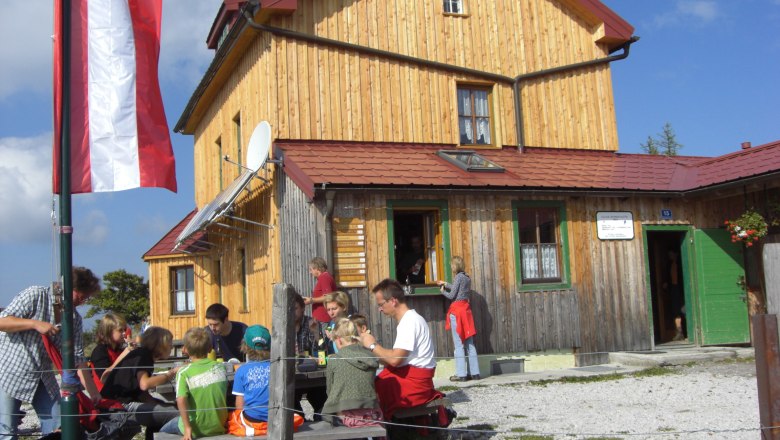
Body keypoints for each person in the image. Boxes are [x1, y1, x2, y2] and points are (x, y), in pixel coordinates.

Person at [0, 266, 102, 438]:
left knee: (59, 424)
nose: (83, 301)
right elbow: (3, 322)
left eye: (86, 298)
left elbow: (77, 358)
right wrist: (34, 324)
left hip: (43, 377)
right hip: (9, 372)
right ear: (69, 289)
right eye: (81, 296)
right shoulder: (35, 295)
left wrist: (93, 392)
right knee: (7, 431)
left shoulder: (74, 319)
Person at [360, 279, 443, 421]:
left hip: (416, 387)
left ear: (393, 301)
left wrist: (372, 345)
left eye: (381, 304)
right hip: (415, 379)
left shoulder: (409, 322)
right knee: (371, 384)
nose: (380, 309)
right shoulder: (411, 319)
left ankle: (377, 431)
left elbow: (395, 360)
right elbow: (394, 357)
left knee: (369, 390)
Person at [101, 326, 179, 439]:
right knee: (178, 414)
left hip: (113, 404)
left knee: (164, 413)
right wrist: (170, 374)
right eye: (169, 343)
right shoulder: (144, 356)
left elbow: (142, 394)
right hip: (119, 406)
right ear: (160, 344)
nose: (171, 346)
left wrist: (164, 405)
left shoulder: (141, 354)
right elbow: (144, 384)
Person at [228, 325, 304, 436]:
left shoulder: (241, 370)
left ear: (245, 346)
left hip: (252, 420)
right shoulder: (279, 367)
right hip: (279, 418)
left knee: (232, 417)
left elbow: (240, 405)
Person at [160, 327, 228, 440]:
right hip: (218, 425)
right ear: (210, 348)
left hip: (195, 428)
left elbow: (181, 400)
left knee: (161, 431)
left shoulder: (184, 373)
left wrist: (187, 428)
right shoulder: (220, 367)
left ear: (185, 349)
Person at [322, 318, 382, 428]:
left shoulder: (334, 359)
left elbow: (329, 390)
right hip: (371, 412)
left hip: (345, 415)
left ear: (339, 340)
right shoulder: (370, 356)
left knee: (323, 414)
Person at [436, 256, 480, 381]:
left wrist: (442, 290)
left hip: (457, 312)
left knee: (459, 344)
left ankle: (461, 375)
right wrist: (446, 283)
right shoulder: (466, 277)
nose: (451, 267)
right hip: (466, 311)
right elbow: (459, 290)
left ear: (455, 266)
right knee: (470, 343)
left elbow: (451, 295)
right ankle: (475, 373)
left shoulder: (458, 277)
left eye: (452, 265)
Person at [292, 293, 328, 421]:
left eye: (295, 308)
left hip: (311, 373)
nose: (292, 312)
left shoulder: (310, 323)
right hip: (292, 375)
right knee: (289, 399)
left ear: (302, 308)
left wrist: (317, 335)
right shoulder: (283, 326)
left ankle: (321, 421)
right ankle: (298, 420)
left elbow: (322, 354)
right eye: (289, 309)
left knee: (320, 396)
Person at [89, 312, 136, 388]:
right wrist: (126, 352)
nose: (124, 333)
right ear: (109, 331)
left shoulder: (118, 350)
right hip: (104, 395)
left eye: (124, 330)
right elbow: (104, 378)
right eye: (120, 330)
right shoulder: (100, 351)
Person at [303, 257, 338, 324]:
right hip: (321, 318)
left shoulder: (324, 278)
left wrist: (311, 300)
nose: (310, 272)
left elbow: (328, 297)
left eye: (311, 269)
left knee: (323, 334)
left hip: (323, 318)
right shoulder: (324, 277)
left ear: (317, 268)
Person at [664, 249, 686, 341]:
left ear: (676, 254)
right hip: (674, 289)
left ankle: (686, 332)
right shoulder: (669, 265)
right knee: (676, 311)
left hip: (682, 289)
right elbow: (667, 276)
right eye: (669, 255)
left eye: (671, 254)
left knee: (684, 310)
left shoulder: (682, 263)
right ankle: (679, 332)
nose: (670, 256)